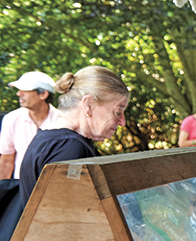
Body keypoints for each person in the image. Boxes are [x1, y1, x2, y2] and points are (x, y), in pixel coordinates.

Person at [20, 66, 129, 207]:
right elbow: (67, 217)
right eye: (118, 111)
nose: (122, 122)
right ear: (88, 105)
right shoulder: (68, 148)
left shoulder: (54, 138)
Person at [1, 71, 61, 179]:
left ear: (43, 94)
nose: (19, 93)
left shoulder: (63, 121)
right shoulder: (11, 119)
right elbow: (6, 162)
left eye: (25, 90)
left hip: (55, 188)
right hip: (20, 189)